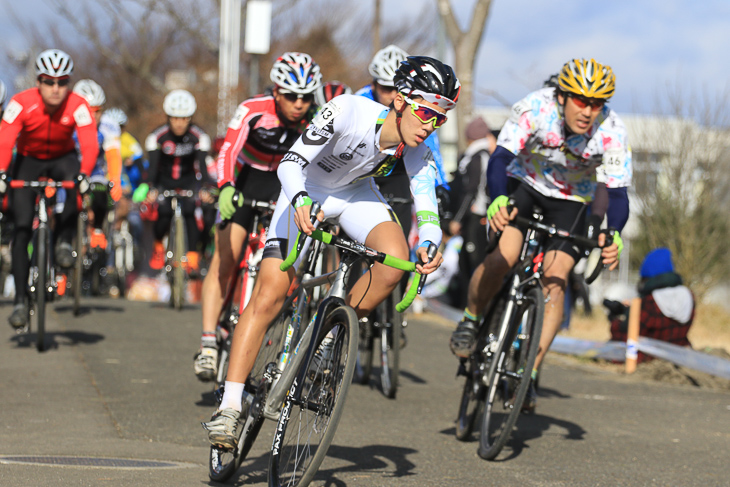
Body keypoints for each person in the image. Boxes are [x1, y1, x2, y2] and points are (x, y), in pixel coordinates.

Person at [202, 56, 459, 448]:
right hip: (305, 188)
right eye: (426, 112)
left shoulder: (416, 150)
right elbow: (289, 164)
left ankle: (326, 341)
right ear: (403, 101)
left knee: (392, 264)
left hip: (355, 196)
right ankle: (230, 406)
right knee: (270, 294)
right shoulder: (348, 110)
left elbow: (427, 209)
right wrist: (301, 200)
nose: (430, 125)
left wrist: (429, 241)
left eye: (439, 119)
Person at [450, 58, 632, 412]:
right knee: (504, 256)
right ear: (562, 96)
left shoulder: (612, 130)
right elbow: (500, 158)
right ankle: (471, 320)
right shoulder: (535, 108)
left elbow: (618, 192)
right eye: (581, 100)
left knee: (556, 278)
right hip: (525, 185)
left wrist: (614, 233)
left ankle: (529, 372)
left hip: (571, 200)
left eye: (596, 103)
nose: (588, 111)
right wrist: (498, 197)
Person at [194, 52, 321, 382]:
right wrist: (224, 186)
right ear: (276, 91)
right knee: (228, 255)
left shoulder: (317, 117)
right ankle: (209, 342)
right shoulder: (253, 108)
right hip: (245, 182)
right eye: (291, 96)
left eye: (306, 97)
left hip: (282, 190)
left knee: (277, 269)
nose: (298, 104)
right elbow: (229, 151)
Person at [0, 49, 99, 328]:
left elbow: (90, 144)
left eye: (62, 82)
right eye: (48, 81)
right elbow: (6, 141)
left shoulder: (78, 105)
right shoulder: (21, 103)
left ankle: (64, 240)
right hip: (28, 160)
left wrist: (85, 174)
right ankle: (20, 301)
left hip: (62, 159)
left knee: (77, 185)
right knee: (20, 229)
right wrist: (2, 172)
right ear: (38, 82)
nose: (56, 89)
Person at [133, 90, 212, 273]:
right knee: (164, 212)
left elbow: (203, 167)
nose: (179, 123)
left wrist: (206, 188)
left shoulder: (199, 137)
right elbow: (152, 168)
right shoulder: (157, 137)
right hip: (164, 181)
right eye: (175, 118)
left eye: (184, 119)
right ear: (168, 117)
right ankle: (159, 244)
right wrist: (150, 188)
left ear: (190, 118)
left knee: (191, 212)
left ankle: (192, 255)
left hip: (189, 181)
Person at [607, 248, 694, 362]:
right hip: (676, 358)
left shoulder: (649, 302)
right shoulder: (688, 296)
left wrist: (615, 320)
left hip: (646, 359)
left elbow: (627, 336)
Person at [448, 116, 496, 309]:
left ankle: (474, 307)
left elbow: (471, 191)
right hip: (472, 217)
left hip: (477, 217)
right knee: (465, 262)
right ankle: (463, 304)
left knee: (474, 263)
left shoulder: (478, 157)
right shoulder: (474, 155)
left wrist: (457, 219)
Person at [72, 79, 123, 250]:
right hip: (71, 169)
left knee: (102, 190)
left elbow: (113, 154)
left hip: (95, 171)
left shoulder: (109, 126)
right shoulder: (67, 122)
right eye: (88, 111)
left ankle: (98, 230)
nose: (93, 116)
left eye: (98, 111)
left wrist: (115, 178)